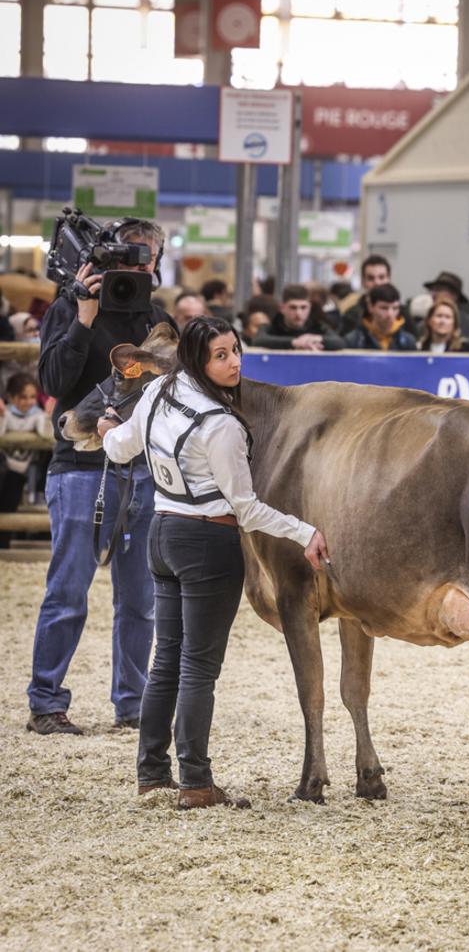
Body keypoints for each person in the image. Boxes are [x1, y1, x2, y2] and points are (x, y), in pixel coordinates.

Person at [96, 316, 329, 808]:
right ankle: (196, 782)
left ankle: (153, 774)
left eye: (236, 350)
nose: (234, 362)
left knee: (167, 660)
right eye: (220, 355)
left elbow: (119, 450)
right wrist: (304, 530)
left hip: (161, 534)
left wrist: (108, 428)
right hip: (208, 543)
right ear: (199, 362)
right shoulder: (220, 424)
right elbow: (245, 507)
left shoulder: (157, 390)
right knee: (199, 667)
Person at [26, 218, 177, 736]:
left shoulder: (158, 320)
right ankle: (47, 702)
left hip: (142, 470)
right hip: (81, 468)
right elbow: (52, 382)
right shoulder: (70, 306)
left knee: (140, 599)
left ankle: (132, 705)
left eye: (147, 256)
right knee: (68, 590)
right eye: (130, 255)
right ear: (107, 257)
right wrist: (83, 318)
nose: (138, 265)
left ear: (157, 261)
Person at [0, 373, 52, 548]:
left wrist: (46, 415)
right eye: (23, 397)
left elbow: (45, 433)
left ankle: (4, 545)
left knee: (9, 507)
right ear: (11, 397)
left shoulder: (36, 414)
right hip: (4, 468)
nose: (29, 401)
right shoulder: (6, 413)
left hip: (20, 472)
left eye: (32, 397)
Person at [253, 285, 344, 351]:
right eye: (293, 307)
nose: (298, 313)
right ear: (282, 308)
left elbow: (339, 342)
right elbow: (259, 340)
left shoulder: (318, 326)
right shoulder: (272, 326)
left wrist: (315, 338)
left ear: (310, 307)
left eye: (303, 307)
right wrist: (294, 342)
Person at [422, 271, 469, 351]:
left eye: (439, 290)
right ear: (429, 321)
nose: (433, 295)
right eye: (433, 290)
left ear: (454, 295)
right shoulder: (421, 327)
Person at [344, 283, 417, 351]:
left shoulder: (408, 341)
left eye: (395, 308)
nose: (390, 314)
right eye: (384, 308)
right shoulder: (354, 341)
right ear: (370, 307)